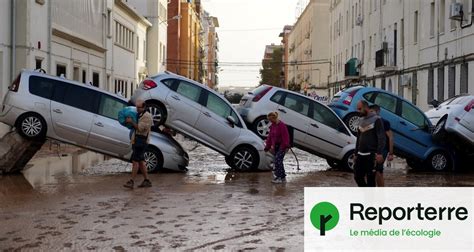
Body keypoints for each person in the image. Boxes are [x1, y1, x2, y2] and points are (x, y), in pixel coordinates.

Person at [353, 101, 386, 187]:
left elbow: (381, 138)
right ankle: (367, 193)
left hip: (371, 155)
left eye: (360, 109)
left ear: (366, 108)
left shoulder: (377, 120)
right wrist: (356, 153)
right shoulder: (360, 120)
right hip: (360, 154)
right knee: (357, 177)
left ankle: (370, 198)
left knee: (371, 179)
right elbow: (358, 138)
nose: (358, 111)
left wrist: (379, 153)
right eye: (358, 109)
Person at [123, 100, 153, 189]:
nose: (137, 109)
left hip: (141, 142)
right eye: (136, 107)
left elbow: (140, 128)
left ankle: (131, 181)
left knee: (135, 161)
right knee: (141, 162)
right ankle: (147, 181)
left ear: (144, 107)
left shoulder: (147, 117)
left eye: (139, 107)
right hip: (137, 141)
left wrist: (131, 121)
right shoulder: (139, 114)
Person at [369, 104, 394, 187]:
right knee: (372, 171)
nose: (370, 113)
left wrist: (390, 153)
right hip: (372, 149)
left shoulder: (384, 122)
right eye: (370, 112)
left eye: (372, 111)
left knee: (378, 170)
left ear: (378, 112)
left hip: (382, 149)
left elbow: (390, 137)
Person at [264, 112, 290, 184]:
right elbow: (270, 137)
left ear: (274, 118)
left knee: (277, 161)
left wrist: (285, 146)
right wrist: (267, 147)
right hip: (276, 146)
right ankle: (283, 178)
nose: (270, 121)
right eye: (269, 120)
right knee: (278, 161)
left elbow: (286, 137)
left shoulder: (282, 125)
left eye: (271, 120)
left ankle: (278, 177)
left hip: (282, 146)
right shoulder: (272, 126)